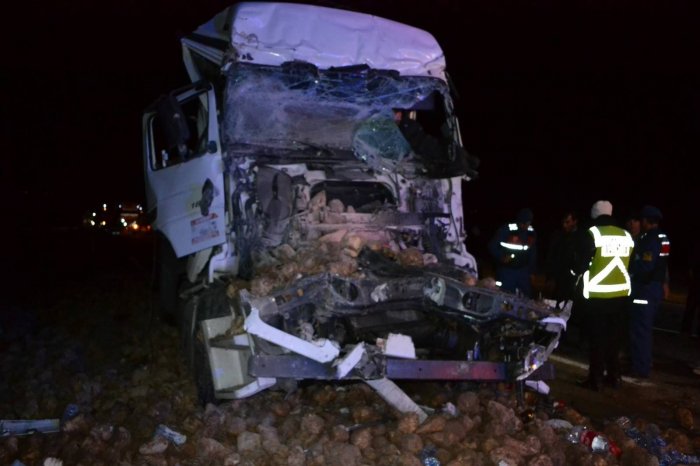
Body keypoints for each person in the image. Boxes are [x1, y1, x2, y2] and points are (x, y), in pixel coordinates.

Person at [573, 200, 634, 391]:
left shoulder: (593, 233)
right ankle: (614, 377)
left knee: (597, 339)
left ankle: (595, 379)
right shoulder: (626, 235)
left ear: (595, 214)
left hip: (598, 295)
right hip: (620, 295)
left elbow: (581, 263)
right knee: (614, 339)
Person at [627, 205, 670, 379]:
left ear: (645, 221)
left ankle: (640, 367)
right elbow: (662, 264)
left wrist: (631, 273)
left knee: (640, 330)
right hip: (654, 287)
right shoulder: (663, 238)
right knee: (643, 329)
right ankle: (642, 363)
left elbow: (646, 266)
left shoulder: (650, 240)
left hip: (645, 289)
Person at [488, 208, 537, 297]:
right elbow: (493, 246)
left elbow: (532, 253)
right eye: (524, 223)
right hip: (507, 270)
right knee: (505, 295)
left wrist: (532, 271)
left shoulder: (531, 232)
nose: (526, 225)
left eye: (528, 223)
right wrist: (501, 256)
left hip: (523, 271)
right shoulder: (507, 229)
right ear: (520, 221)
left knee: (525, 296)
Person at [544, 209, 580, 304]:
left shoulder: (581, 238)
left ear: (575, 221)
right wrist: (549, 277)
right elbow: (550, 257)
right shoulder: (557, 236)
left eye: (567, 222)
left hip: (572, 282)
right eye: (563, 222)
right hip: (557, 281)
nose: (564, 225)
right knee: (553, 306)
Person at [680, 238, 700, 338]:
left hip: (696, 276)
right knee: (691, 304)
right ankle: (686, 329)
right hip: (697, 277)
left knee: (691, 304)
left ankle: (687, 329)